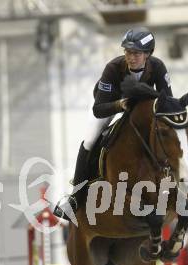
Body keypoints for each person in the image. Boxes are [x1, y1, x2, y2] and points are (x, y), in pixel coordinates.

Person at [53, 26, 174, 221]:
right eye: (127, 51)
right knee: (89, 141)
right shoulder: (113, 68)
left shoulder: (157, 67)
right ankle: (75, 196)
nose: (130, 57)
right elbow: (98, 108)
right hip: (112, 104)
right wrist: (120, 104)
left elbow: (167, 100)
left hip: (141, 108)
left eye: (136, 53)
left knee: (173, 132)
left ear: (148, 54)